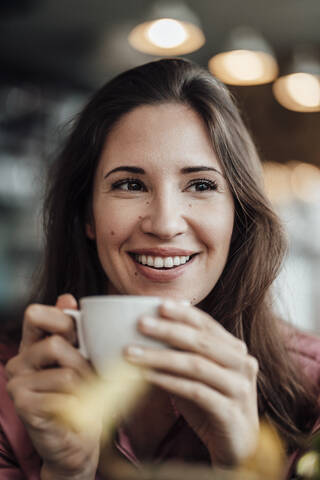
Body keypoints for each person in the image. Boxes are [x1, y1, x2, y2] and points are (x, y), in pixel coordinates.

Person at [0, 58, 319, 480]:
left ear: (237, 214)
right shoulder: (14, 388)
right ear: (87, 216)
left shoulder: (312, 387)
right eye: (130, 184)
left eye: (201, 185)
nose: (165, 224)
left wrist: (242, 466)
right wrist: (65, 472)